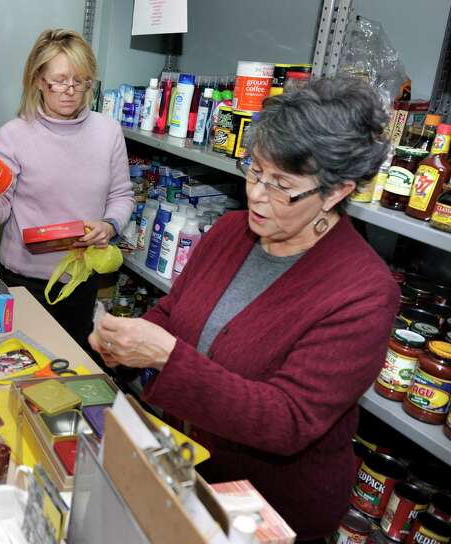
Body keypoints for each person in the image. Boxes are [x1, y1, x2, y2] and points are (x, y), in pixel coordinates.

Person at [89, 78, 397, 541]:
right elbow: (176, 313)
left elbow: (288, 419)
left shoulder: (363, 292)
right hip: (187, 466)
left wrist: (166, 357)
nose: (256, 194)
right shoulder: (233, 230)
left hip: (269, 507)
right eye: (254, 171)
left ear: (335, 193)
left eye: (282, 186)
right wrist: (127, 341)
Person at [0, 29, 134, 356]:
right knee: (18, 369)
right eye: (60, 81)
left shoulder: (108, 132)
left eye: (81, 81)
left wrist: (110, 225)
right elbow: (0, 209)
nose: (71, 91)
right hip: (23, 282)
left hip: (81, 280)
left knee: (71, 368)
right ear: (39, 80)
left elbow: (122, 195)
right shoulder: (15, 134)